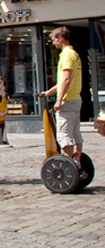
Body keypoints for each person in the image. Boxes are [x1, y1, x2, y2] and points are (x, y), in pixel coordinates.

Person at [40, 26, 85, 170]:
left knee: (64, 133)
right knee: (75, 131)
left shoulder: (66, 55)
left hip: (68, 100)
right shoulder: (74, 54)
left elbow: (66, 79)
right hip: (75, 98)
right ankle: (77, 161)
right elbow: (64, 81)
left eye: (54, 40)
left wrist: (59, 100)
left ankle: (68, 164)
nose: (53, 43)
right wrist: (49, 92)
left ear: (60, 38)